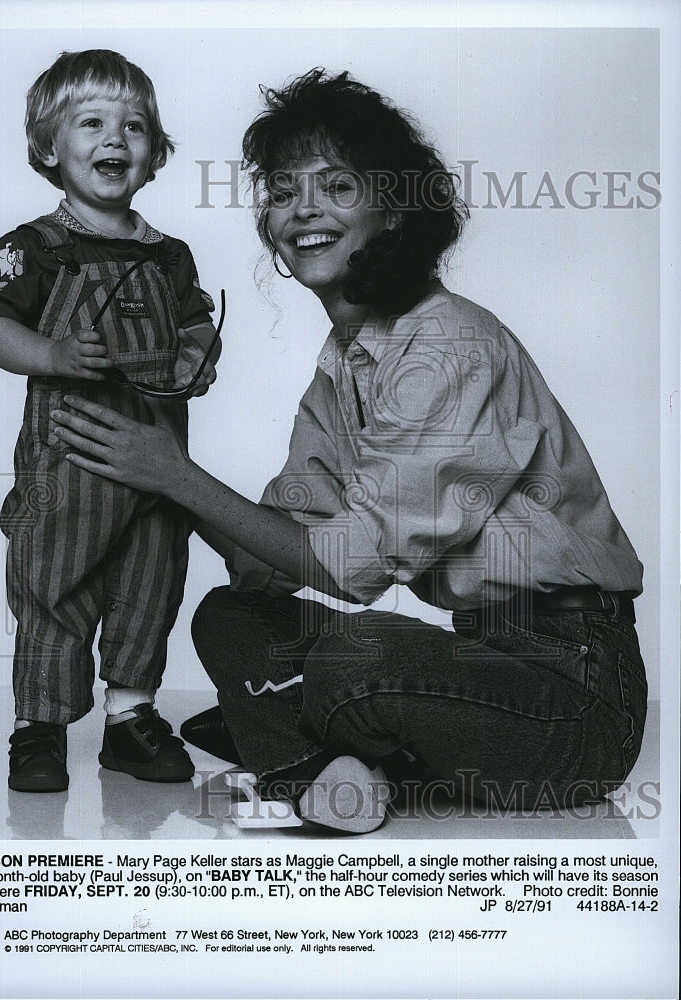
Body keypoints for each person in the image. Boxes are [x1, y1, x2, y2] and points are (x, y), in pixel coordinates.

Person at [52, 68, 647, 834]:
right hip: (470, 667)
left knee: (354, 654)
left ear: (393, 209)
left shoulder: (449, 342)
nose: (301, 210)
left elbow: (349, 570)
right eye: (281, 189)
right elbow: (268, 562)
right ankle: (330, 767)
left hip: (573, 698)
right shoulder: (342, 367)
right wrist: (151, 450)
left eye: (335, 187)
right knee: (230, 617)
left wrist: (174, 476)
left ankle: (299, 749)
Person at [0, 49, 220, 792]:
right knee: (53, 585)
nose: (116, 138)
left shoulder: (169, 256)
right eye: (92, 123)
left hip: (154, 464)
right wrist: (49, 351)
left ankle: (130, 716)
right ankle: (38, 727)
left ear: (154, 156)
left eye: (135, 126)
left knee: (150, 581)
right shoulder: (35, 248)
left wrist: (197, 356)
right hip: (67, 467)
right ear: (50, 148)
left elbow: (198, 326)